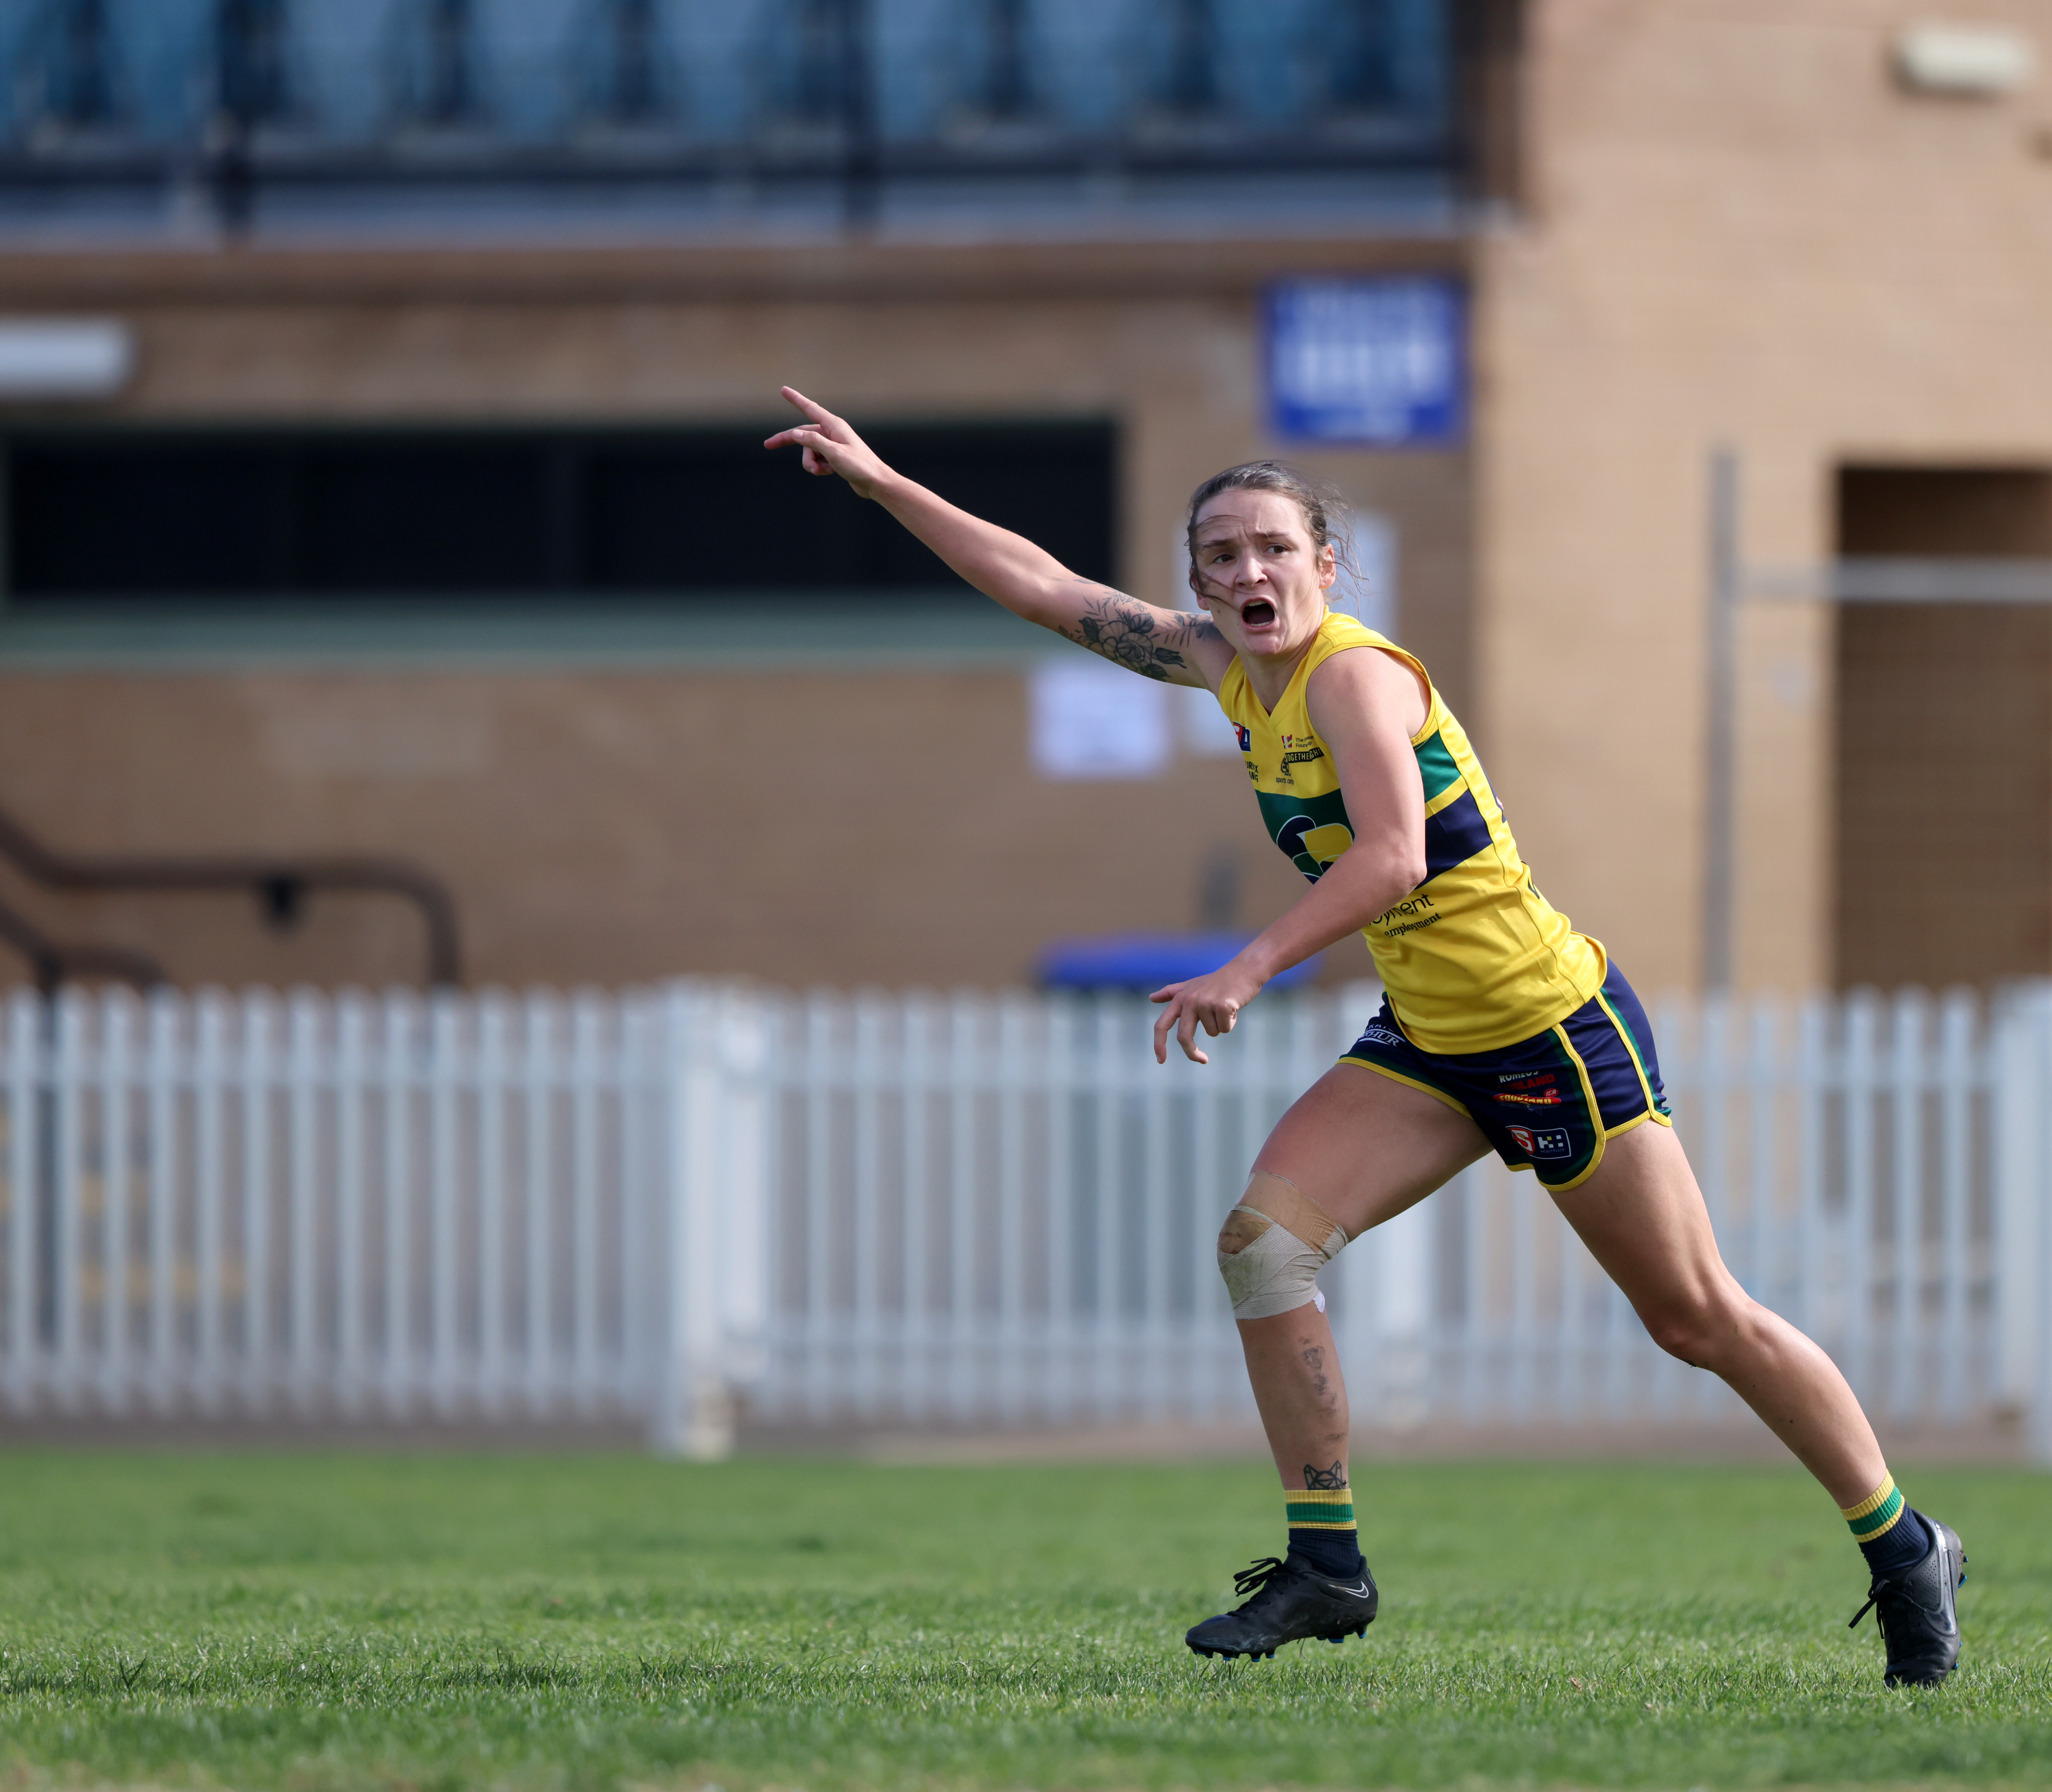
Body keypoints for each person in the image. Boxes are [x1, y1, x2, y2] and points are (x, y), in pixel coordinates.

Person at [765, 388, 1966, 1687]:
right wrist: (883, 482)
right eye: (1221, 555)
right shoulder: (1229, 668)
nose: (1249, 572)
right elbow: (1051, 590)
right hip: (1430, 1041)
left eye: (1273, 548)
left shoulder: (1352, 674)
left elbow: (1393, 856)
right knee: (1264, 1246)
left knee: (1695, 1318)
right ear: (1200, 585)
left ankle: (1906, 1545)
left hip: (1544, 1025)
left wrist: (1245, 966)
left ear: (1325, 565)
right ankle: (1326, 1564)